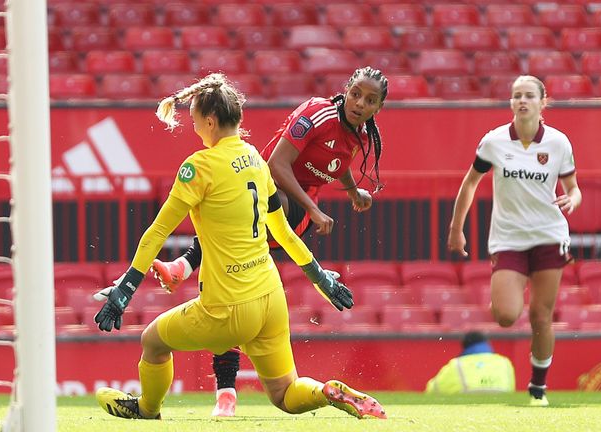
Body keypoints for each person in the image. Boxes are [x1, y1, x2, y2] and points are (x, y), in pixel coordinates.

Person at [92, 73, 387, 421]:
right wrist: (322, 280)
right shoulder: (257, 162)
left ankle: (147, 409)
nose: (194, 127)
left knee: (153, 342)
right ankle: (325, 391)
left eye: (195, 120)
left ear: (211, 121)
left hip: (228, 308)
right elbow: (284, 233)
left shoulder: (198, 166)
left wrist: (125, 290)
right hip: (271, 299)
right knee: (284, 393)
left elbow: (156, 233)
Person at [447, 75, 582, 406]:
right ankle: (507, 292)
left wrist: (573, 200)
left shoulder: (558, 143)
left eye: (529, 96)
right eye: (516, 95)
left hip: (549, 236)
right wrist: (456, 227)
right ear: (511, 103)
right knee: (506, 315)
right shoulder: (493, 142)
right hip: (507, 238)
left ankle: (538, 386)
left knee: (540, 316)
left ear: (542, 102)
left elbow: (573, 188)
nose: (522, 100)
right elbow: (470, 183)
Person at [425, 331, 516, 394]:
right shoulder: (505, 362)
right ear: (487, 344)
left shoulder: (456, 365)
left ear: (465, 347)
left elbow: (432, 390)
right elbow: (511, 389)